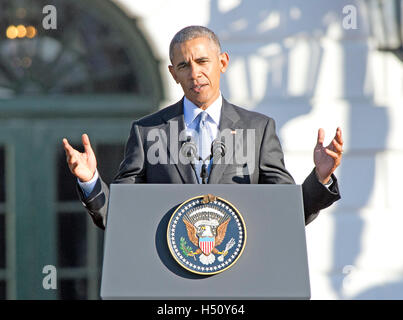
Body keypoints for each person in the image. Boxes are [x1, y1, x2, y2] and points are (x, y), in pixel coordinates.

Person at [63, 26, 343, 230]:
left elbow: (286, 213)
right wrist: (90, 181)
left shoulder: (258, 129)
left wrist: (320, 177)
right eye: (184, 65)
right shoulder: (148, 132)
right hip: (170, 281)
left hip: (241, 279)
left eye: (202, 61)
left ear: (222, 63)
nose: (194, 73)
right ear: (173, 74)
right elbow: (119, 216)